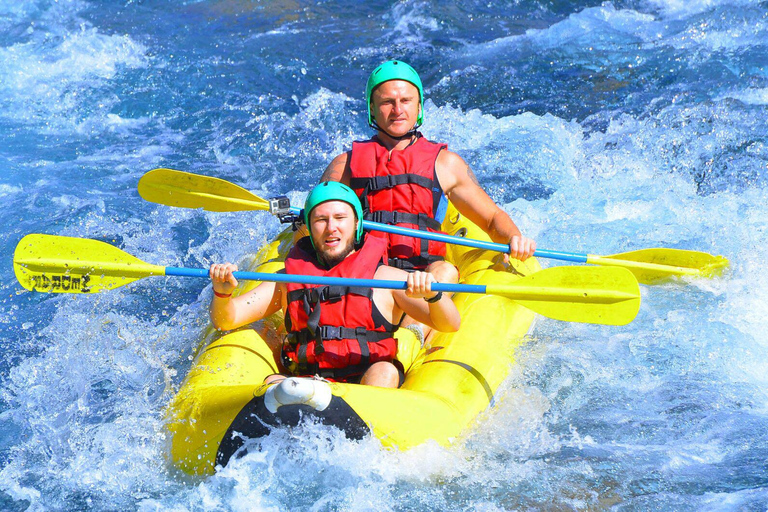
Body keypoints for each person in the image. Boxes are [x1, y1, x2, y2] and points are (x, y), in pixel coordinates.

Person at [209, 181, 460, 389]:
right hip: (308, 382)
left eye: (340, 218)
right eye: (321, 220)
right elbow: (227, 319)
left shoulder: (385, 278)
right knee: (274, 382)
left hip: (368, 384)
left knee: (385, 371)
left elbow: (449, 324)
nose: (331, 228)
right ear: (309, 228)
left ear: (356, 225)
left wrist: (434, 296)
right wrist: (223, 294)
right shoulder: (290, 279)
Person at [320, 60, 537, 280]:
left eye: (406, 100)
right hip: (366, 273)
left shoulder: (445, 164)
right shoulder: (345, 165)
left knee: (446, 271)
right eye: (387, 102)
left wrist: (514, 238)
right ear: (372, 109)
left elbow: (492, 219)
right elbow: (314, 225)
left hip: (424, 273)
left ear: (419, 106)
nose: (398, 110)